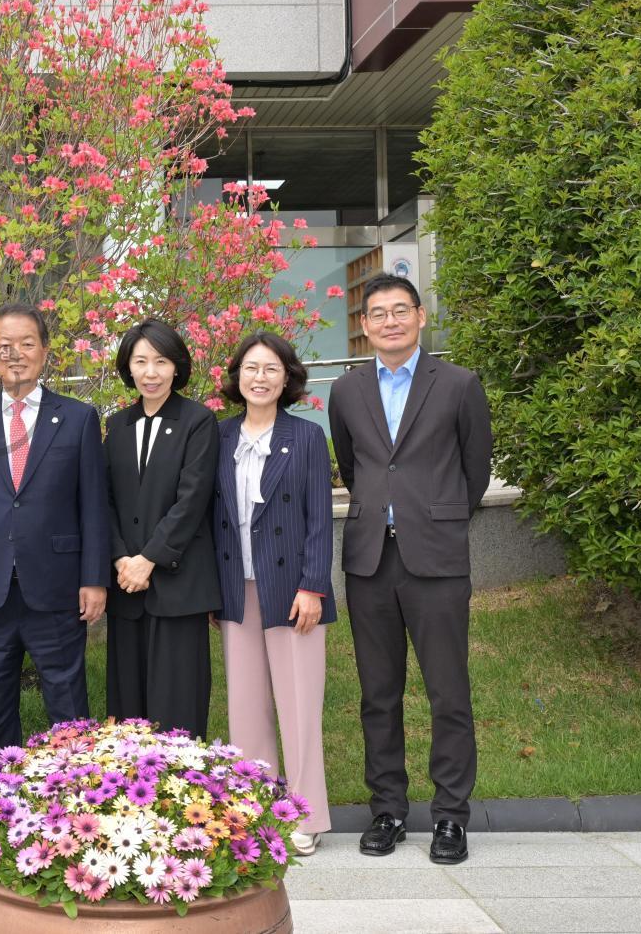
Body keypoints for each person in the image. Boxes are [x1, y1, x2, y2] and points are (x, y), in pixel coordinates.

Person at [328, 273, 492, 865]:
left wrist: (438, 517)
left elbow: (476, 468)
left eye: (402, 310)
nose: (391, 320)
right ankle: (388, 809)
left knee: (448, 691)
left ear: (421, 317)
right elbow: (352, 463)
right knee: (379, 694)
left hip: (437, 558)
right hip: (371, 558)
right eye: (379, 313)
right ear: (365, 325)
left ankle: (451, 817)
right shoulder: (345, 391)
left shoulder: (457, 384)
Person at [0, 303, 109, 754]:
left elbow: (93, 505)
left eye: (27, 344)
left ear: (46, 351)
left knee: (67, 701)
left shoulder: (77, 417)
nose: (16, 355)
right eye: (4, 346)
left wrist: (94, 579)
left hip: (57, 584)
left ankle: (76, 797)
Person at [212, 331, 336, 856]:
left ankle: (304, 815)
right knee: (246, 707)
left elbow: (318, 521)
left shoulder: (306, 437)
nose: (259, 378)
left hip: (291, 590)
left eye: (270, 369)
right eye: (250, 368)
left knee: (299, 704)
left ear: (287, 378)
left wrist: (313, 587)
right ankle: (255, 810)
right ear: (236, 377)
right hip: (235, 587)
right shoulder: (218, 438)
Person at [103, 319, 221, 738]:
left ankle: (181, 792)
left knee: (178, 707)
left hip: (178, 584)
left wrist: (148, 560)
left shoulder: (198, 422)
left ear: (177, 367)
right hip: (126, 587)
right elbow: (108, 502)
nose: (150, 372)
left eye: (160, 361)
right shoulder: (116, 426)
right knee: (127, 708)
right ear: (128, 368)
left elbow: (191, 501)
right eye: (140, 361)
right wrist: (120, 558)